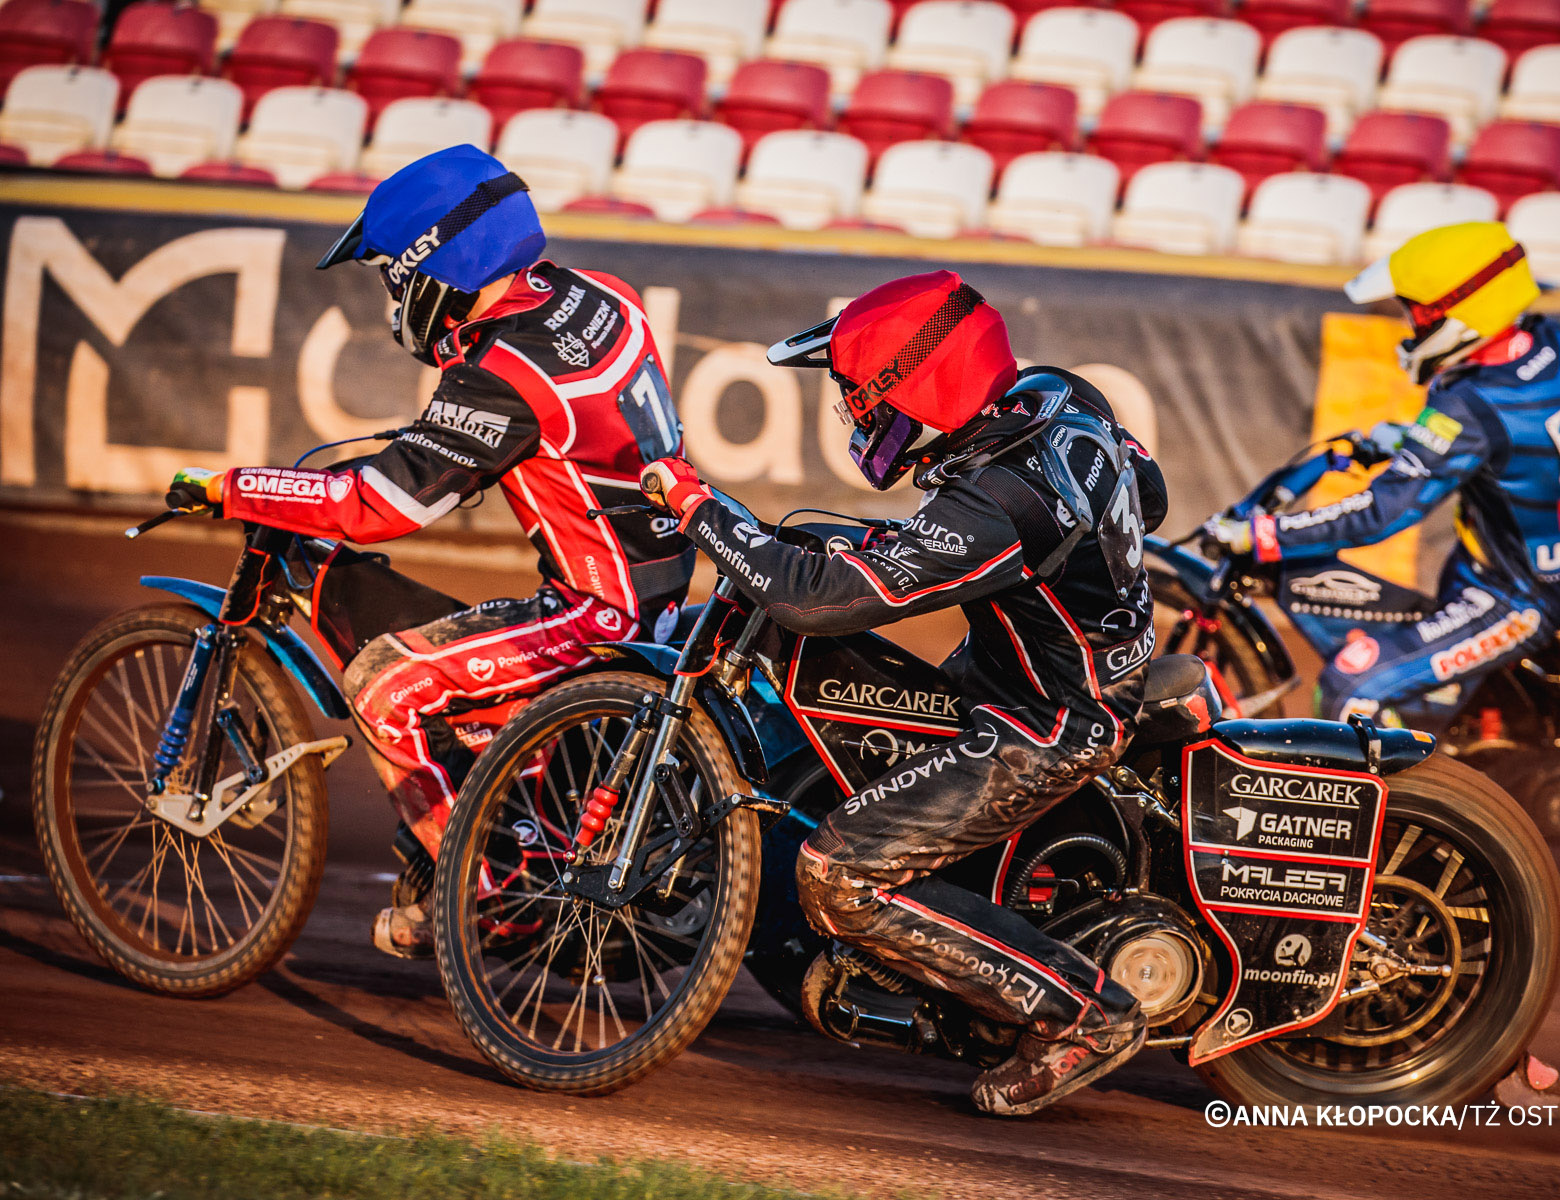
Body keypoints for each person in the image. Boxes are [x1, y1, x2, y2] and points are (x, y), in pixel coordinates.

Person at [637, 271, 1166, 1117]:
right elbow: (1152, 494)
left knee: (839, 873)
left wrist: (699, 506)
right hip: (1042, 669)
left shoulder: (1001, 498)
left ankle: (1082, 1015)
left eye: (861, 396)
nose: (855, 413)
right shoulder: (1056, 396)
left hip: (1048, 722)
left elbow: (814, 601)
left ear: (918, 385)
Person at [164, 145, 693, 957]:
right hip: (661, 589)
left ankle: (488, 898)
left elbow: (376, 506)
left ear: (431, 266)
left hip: (596, 615)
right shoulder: (599, 294)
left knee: (385, 685)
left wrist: (231, 487)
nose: (393, 296)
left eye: (392, 276)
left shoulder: (502, 370)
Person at [1204, 221, 1560, 734]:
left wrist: (1262, 534)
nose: (1410, 328)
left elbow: (1381, 513)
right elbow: (1509, 443)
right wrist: (1411, 439)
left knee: (1349, 687)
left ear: (1462, 316)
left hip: (1508, 601)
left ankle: (1394, 788)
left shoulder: (1469, 404)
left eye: (1419, 315)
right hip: (1505, 572)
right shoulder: (1550, 343)